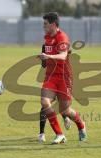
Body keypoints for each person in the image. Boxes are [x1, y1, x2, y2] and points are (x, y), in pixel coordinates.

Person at [37, 12, 86, 144]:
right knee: (44, 102)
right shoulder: (46, 37)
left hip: (64, 77)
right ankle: (59, 134)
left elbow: (63, 56)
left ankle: (81, 124)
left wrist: (49, 56)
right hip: (50, 77)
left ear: (53, 24)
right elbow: (50, 53)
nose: (43, 26)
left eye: (45, 24)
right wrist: (43, 57)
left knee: (65, 110)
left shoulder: (62, 37)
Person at [38, 44, 71, 142]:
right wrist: (44, 58)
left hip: (62, 78)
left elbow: (66, 57)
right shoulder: (45, 45)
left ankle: (65, 118)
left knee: (59, 103)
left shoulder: (61, 44)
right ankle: (42, 133)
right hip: (51, 79)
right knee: (45, 105)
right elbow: (44, 65)